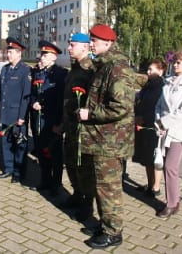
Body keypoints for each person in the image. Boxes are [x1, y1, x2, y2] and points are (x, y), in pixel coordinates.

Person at [78, 24, 135, 249]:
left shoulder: (118, 68)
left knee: (108, 188)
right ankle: (105, 224)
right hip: (102, 139)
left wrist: (89, 113)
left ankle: (113, 232)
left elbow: (120, 106)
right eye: (92, 39)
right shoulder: (104, 65)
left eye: (95, 40)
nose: (91, 43)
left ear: (108, 43)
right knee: (102, 187)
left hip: (110, 142)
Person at [154, 49, 182, 217]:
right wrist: (158, 121)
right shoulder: (168, 82)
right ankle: (173, 200)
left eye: (179, 62)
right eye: (175, 62)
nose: (175, 64)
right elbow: (159, 105)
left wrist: (164, 122)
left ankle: (172, 204)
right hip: (163, 130)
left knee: (170, 167)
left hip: (178, 132)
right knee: (164, 165)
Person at [61, 33, 95, 221]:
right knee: (71, 164)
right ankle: (76, 195)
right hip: (70, 125)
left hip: (83, 128)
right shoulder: (74, 69)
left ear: (85, 47)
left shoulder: (90, 70)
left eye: (72, 45)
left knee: (84, 167)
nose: (69, 48)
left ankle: (87, 205)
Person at [30, 40, 67, 196]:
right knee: (41, 151)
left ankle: (55, 184)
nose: (42, 57)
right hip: (38, 120)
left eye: (45, 55)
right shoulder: (38, 72)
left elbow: (60, 101)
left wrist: (59, 123)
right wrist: (34, 103)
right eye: (42, 54)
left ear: (54, 57)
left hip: (52, 121)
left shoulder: (60, 74)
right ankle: (45, 180)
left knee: (54, 154)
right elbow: (33, 94)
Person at [0, 37, 31, 183]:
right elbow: (1, 92)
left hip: (17, 115)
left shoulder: (25, 70)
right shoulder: (4, 69)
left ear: (19, 53)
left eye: (11, 52)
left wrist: (22, 117)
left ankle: (18, 172)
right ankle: (8, 169)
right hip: (5, 113)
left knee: (20, 145)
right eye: (7, 52)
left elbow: (26, 97)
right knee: (6, 144)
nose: (8, 55)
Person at [133, 59, 166, 197]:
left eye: (151, 69)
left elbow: (159, 107)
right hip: (143, 125)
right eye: (148, 69)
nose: (148, 72)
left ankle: (156, 188)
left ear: (161, 71)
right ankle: (150, 184)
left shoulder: (162, 87)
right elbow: (141, 101)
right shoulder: (148, 85)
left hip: (155, 126)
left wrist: (145, 118)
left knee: (155, 158)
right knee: (146, 158)